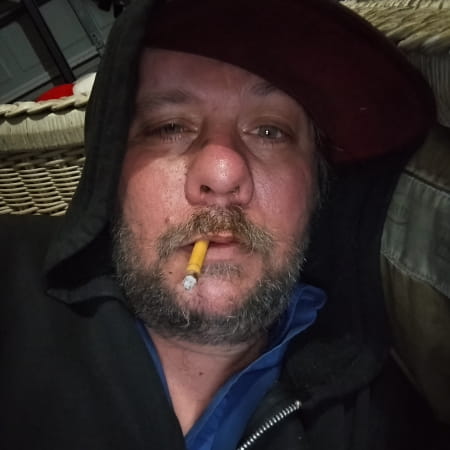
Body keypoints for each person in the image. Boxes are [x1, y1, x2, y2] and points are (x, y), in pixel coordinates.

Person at [0, 0, 447, 448]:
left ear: (317, 188)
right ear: (110, 169)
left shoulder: (384, 422)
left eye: (270, 131)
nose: (222, 173)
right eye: (170, 127)